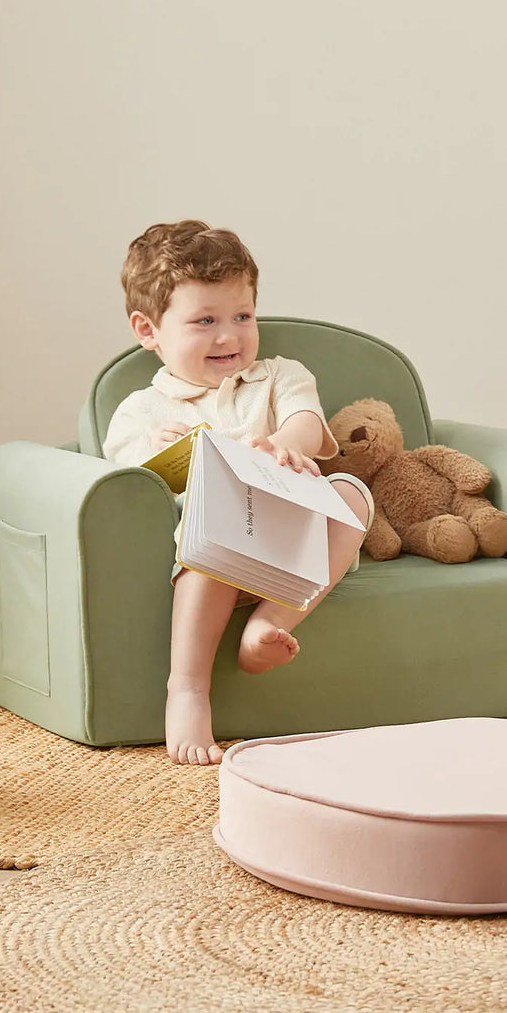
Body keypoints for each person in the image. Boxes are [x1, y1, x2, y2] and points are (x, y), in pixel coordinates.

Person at [103, 220, 373, 766]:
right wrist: (158, 451)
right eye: (205, 321)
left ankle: (269, 626)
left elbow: (305, 421)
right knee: (208, 534)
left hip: (295, 553)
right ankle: (188, 690)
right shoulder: (142, 410)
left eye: (242, 316)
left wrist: (283, 445)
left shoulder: (279, 376)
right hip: (211, 562)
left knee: (353, 494)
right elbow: (129, 483)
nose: (229, 336)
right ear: (148, 329)